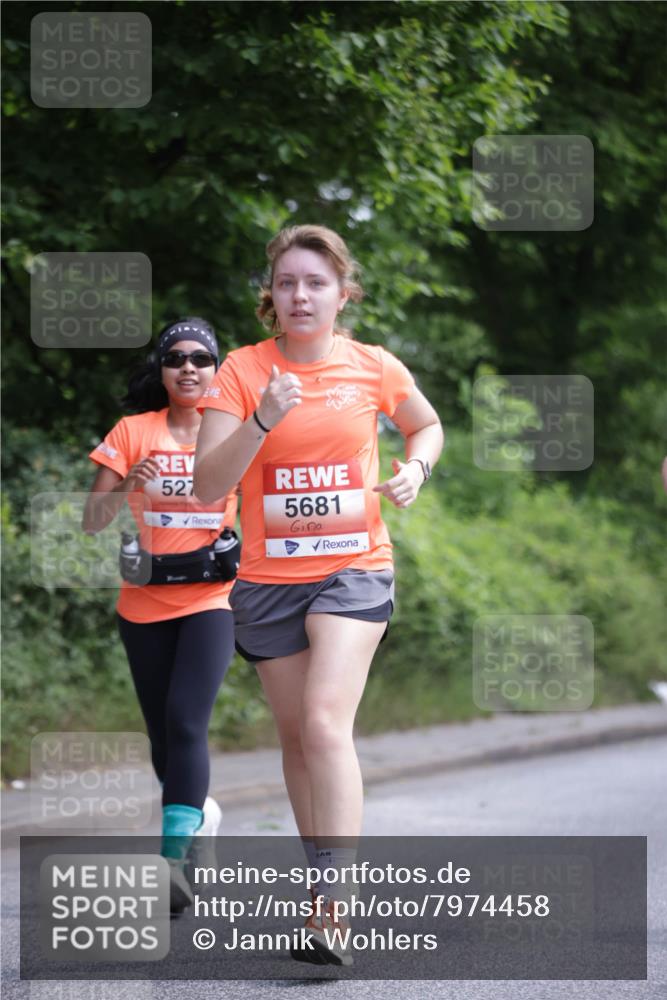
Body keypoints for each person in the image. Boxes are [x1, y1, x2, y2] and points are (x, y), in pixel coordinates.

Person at [194, 226, 444, 964]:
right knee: (297, 739)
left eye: (315, 282)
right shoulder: (241, 371)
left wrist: (415, 471)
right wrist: (263, 417)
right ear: (269, 296)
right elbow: (209, 483)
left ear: (343, 293)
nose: (300, 294)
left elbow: (424, 424)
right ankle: (318, 890)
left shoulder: (371, 365)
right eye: (286, 282)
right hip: (268, 583)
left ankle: (335, 907)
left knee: (324, 722)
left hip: (354, 567)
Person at [82, 318, 239, 915]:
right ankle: (204, 811)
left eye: (202, 358)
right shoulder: (133, 431)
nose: (189, 368)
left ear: (217, 369)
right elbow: (92, 520)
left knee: (184, 720)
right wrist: (128, 487)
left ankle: (172, 863)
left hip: (210, 600)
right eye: (177, 358)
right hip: (144, 603)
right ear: (162, 369)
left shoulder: (229, 434)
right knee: (161, 741)